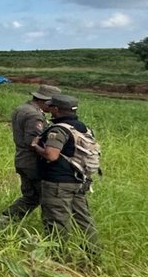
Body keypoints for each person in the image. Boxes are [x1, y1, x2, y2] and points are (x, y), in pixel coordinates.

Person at [33, 93, 100, 258]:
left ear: (56, 109)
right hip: (79, 180)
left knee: (57, 220)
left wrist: (36, 146)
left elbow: (51, 155)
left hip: (58, 183)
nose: (49, 109)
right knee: (83, 219)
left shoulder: (59, 130)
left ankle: (57, 255)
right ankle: (93, 253)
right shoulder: (84, 128)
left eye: (51, 106)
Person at [0, 85, 56, 227]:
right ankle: (8, 219)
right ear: (45, 101)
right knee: (42, 197)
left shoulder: (22, 109)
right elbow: (33, 141)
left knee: (32, 196)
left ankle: (6, 220)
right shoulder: (34, 115)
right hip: (32, 162)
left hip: (22, 159)